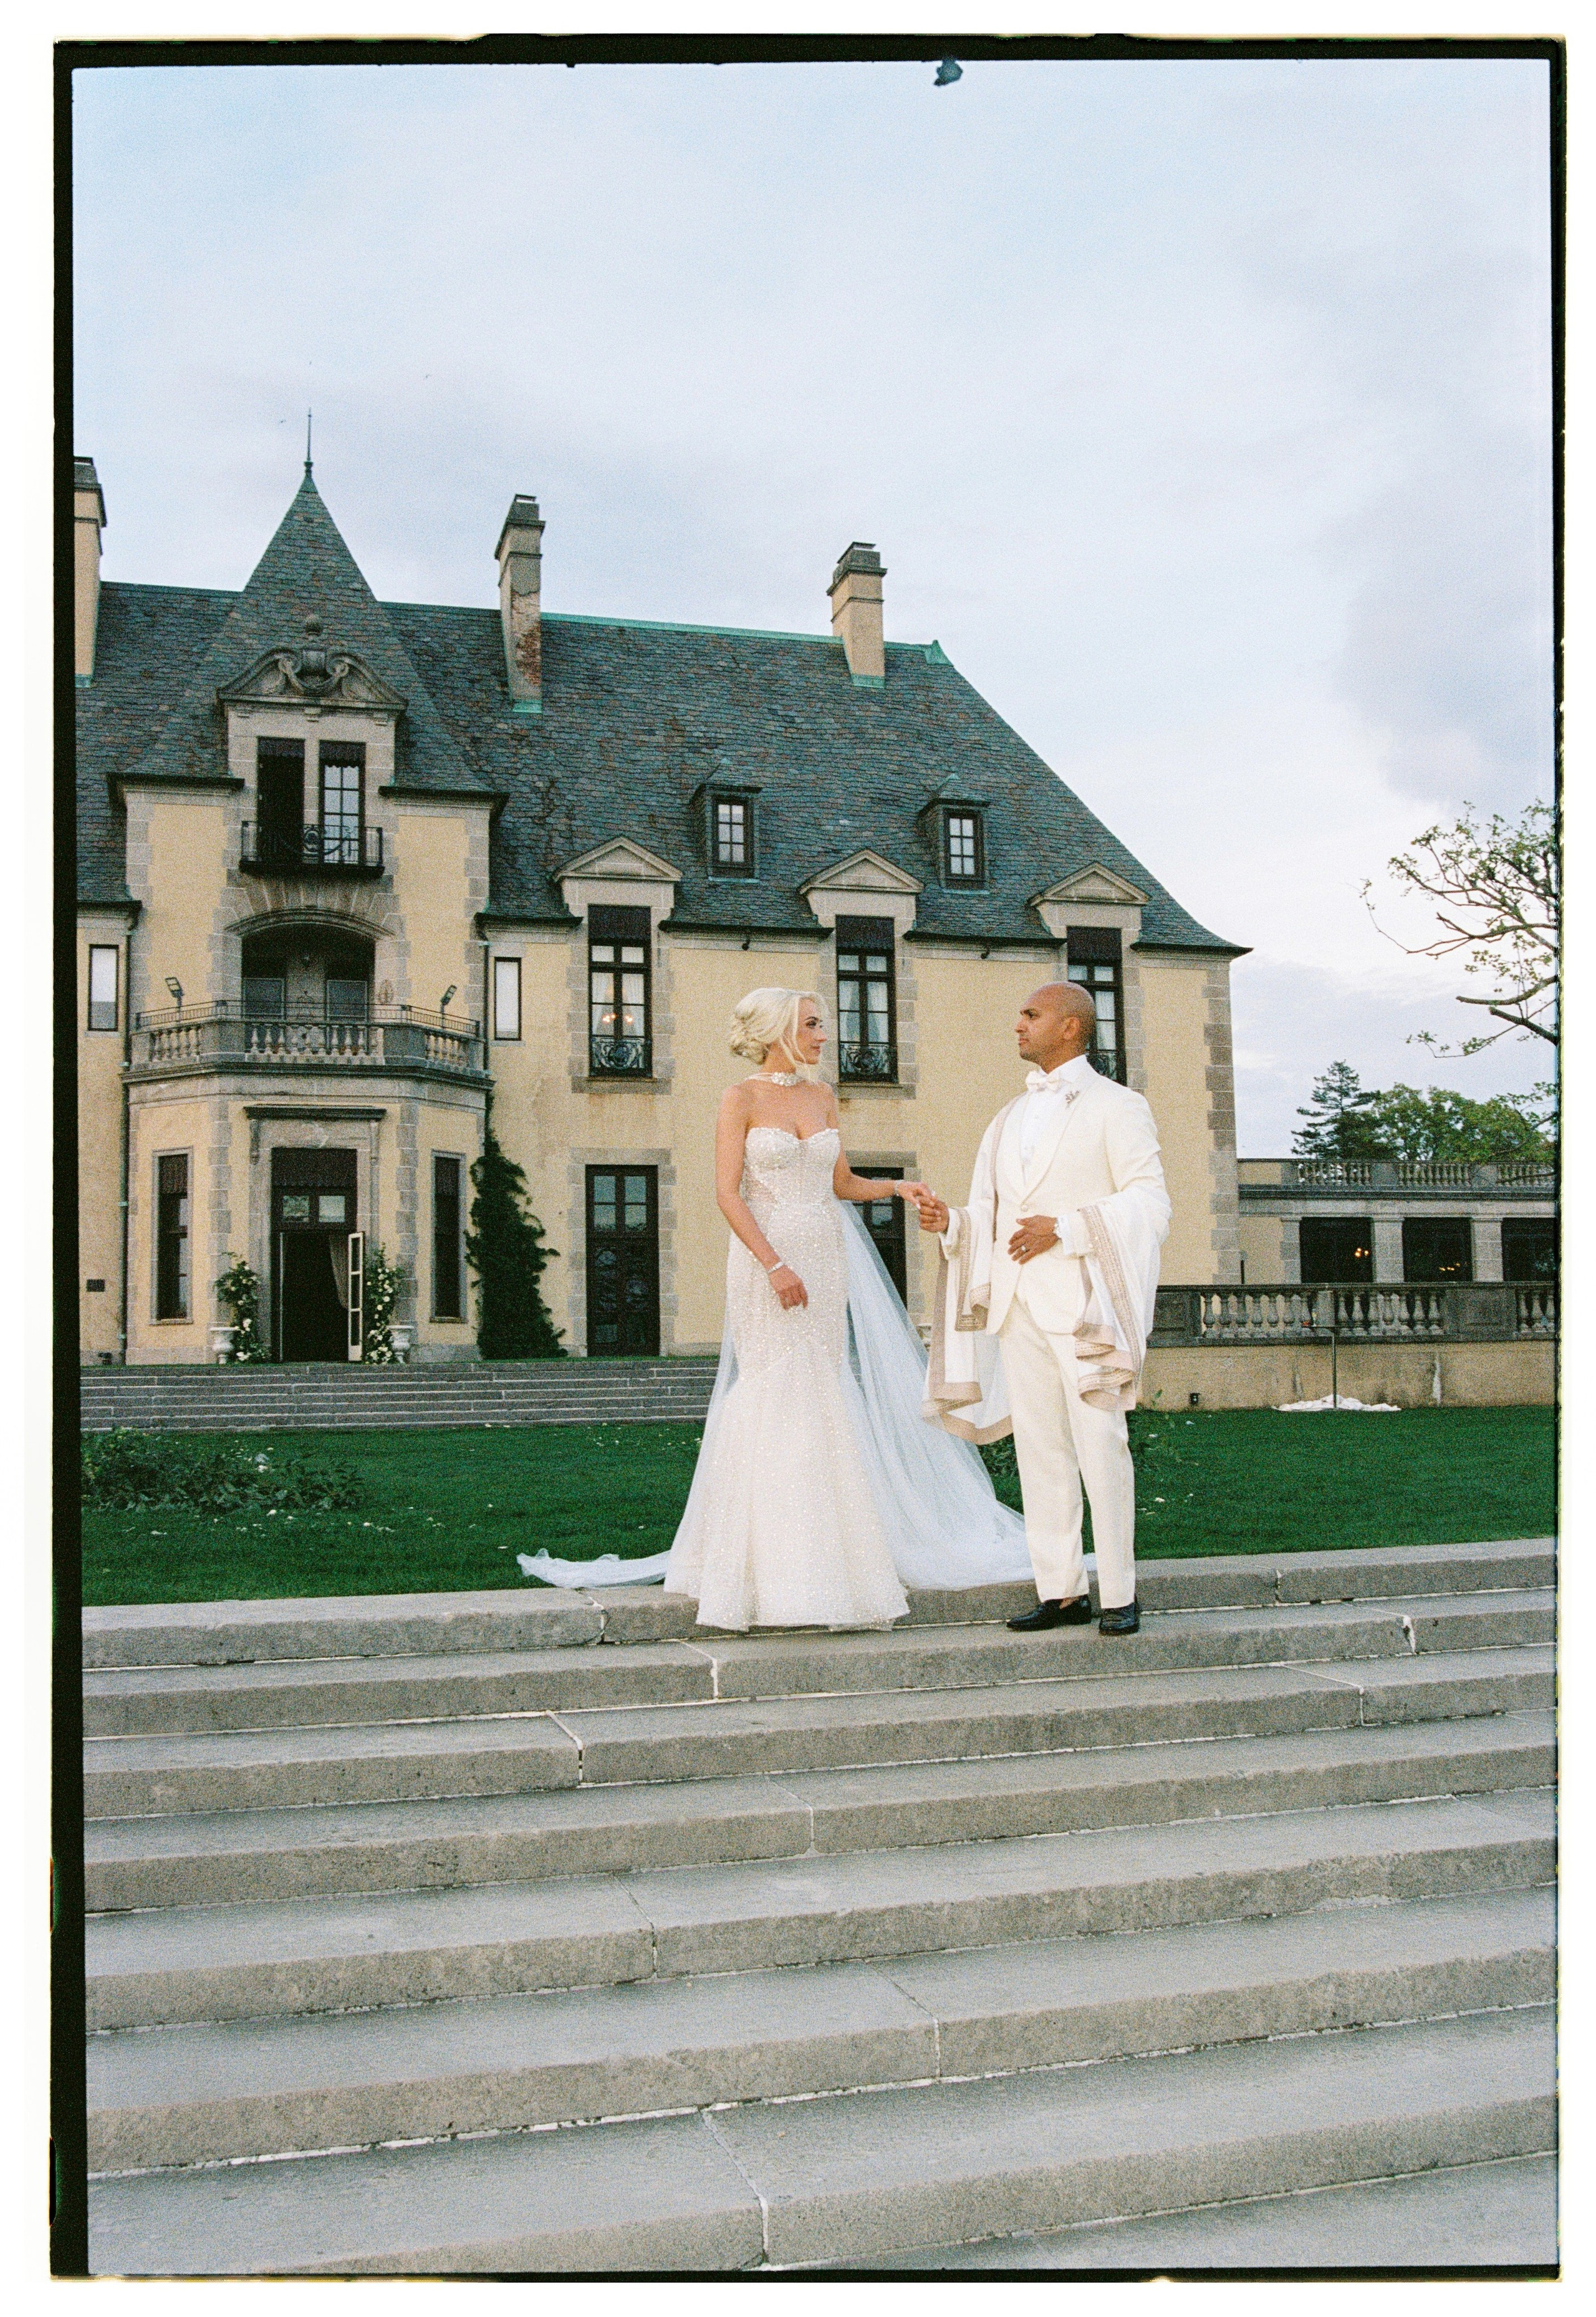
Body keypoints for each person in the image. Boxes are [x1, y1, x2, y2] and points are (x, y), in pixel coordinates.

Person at [658, 987, 1034, 1629]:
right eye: (811, 1024)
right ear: (779, 1028)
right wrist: (774, 1264)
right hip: (765, 1256)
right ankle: (757, 1565)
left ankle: (830, 1558)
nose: (823, 1033)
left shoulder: (821, 1095)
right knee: (775, 1388)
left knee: (823, 1391)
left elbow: (840, 1183)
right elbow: (727, 1194)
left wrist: (897, 1186)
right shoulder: (740, 1098)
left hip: (825, 1254)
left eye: (820, 1024)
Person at [913, 982, 1171, 1636]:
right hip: (1017, 1303)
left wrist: (1068, 1226)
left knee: (1101, 1445)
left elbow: (1151, 1203)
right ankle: (1060, 1590)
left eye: (1030, 1014)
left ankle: (1118, 1591)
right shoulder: (1005, 1117)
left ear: (1072, 1027)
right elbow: (995, 1214)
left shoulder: (1120, 1106)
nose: (1018, 1025)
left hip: (1085, 1306)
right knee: (1040, 1450)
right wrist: (954, 1223)